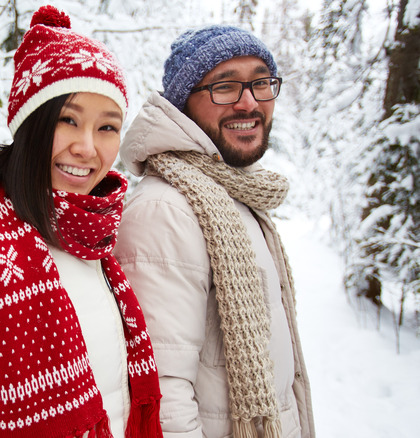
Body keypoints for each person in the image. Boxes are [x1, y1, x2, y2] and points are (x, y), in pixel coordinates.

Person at [0, 6, 162, 437]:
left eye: (107, 127)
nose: (87, 147)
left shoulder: (97, 250)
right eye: (69, 119)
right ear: (30, 126)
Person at [113, 26, 315, 438]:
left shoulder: (235, 191)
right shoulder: (165, 209)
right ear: (183, 104)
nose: (249, 102)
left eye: (261, 83)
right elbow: (164, 394)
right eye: (225, 86)